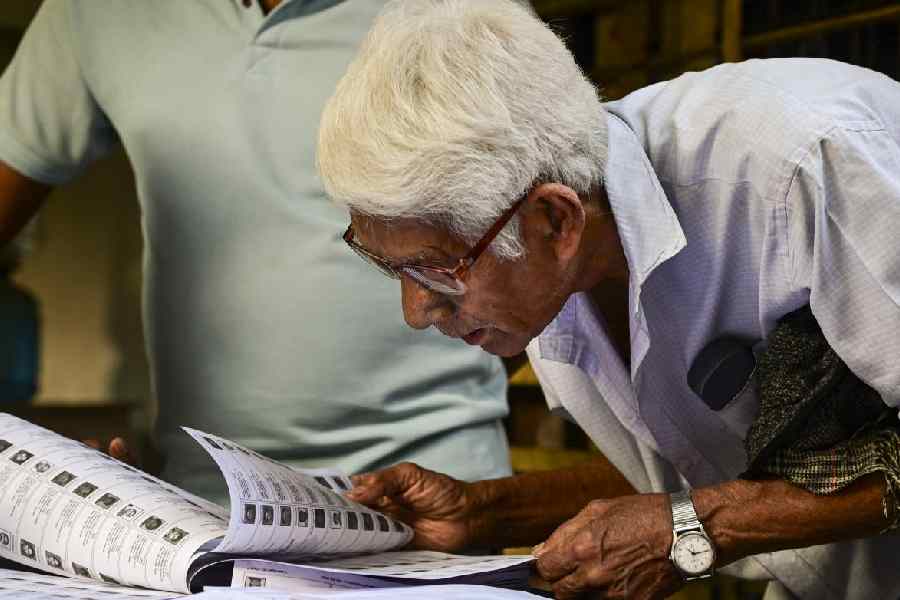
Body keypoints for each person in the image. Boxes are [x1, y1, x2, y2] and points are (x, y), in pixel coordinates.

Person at [316, 0, 900, 598]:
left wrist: (697, 527)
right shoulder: (540, 263)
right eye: (391, 268)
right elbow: (699, 464)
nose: (417, 312)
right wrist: (486, 512)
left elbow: (703, 506)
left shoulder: (807, 164)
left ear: (555, 220)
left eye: (437, 269)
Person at [0, 0, 511, 506]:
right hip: (205, 501)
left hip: (439, 491)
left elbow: (549, 233)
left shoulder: (463, 8)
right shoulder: (94, 11)